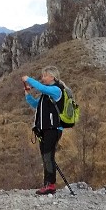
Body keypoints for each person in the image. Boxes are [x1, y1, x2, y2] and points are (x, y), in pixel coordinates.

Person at [22, 66, 65, 195]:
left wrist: (28, 79)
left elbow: (41, 88)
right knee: (46, 157)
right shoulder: (46, 94)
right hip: (45, 130)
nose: (42, 78)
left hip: (53, 129)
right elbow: (36, 105)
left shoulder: (56, 90)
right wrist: (27, 94)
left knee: (48, 156)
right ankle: (47, 184)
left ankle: (50, 185)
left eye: (45, 75)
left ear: (52, 77)